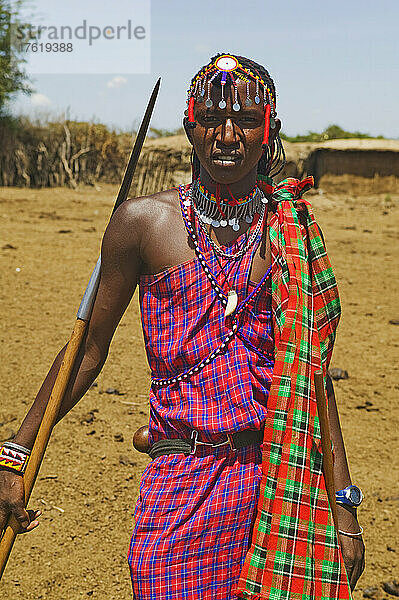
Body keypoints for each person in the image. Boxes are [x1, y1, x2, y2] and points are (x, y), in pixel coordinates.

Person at [0, 53, 365, 599]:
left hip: (279, 484)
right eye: (213, 118)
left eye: (245, 118)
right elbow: (88, 350)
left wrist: (342, 503)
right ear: (188, 125)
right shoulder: (142, 225)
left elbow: (311, 374)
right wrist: (17, 453)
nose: (227, 134)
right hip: (180, 484)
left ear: (271, 130)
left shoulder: (292, 231)